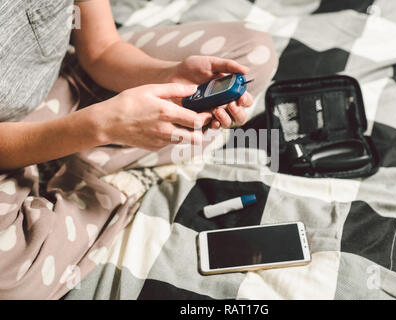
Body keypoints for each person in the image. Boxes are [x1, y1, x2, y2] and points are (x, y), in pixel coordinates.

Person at [0, 0, 277, 298]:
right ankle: (99, 165)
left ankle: (95, 150)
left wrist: (168, 75)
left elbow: (102, 50)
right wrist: (97, 126)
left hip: (65, 85)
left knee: (254, 50)